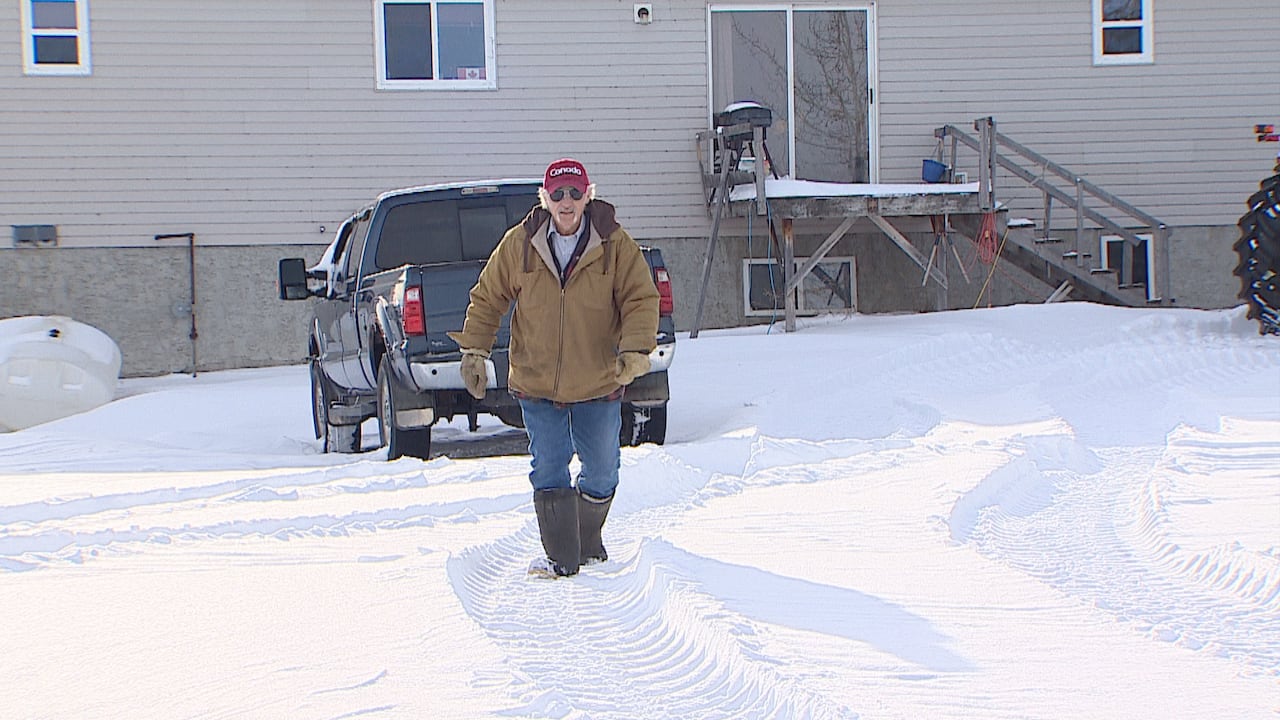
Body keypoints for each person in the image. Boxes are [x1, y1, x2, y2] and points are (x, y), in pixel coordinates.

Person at [449, 158, 660, 578]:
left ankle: (584, 542)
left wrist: (635, 350)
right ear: (545, 198)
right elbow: (489, 297)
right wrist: (474, 350)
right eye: (558, 194)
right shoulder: (519, 245)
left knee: (602, 471)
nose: (567, 202)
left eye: (575, 193)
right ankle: (562, 557)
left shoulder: (615, 244)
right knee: (548, 466)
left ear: (588, 196)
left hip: (599, 379)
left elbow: (640, 297)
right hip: (537, 381)